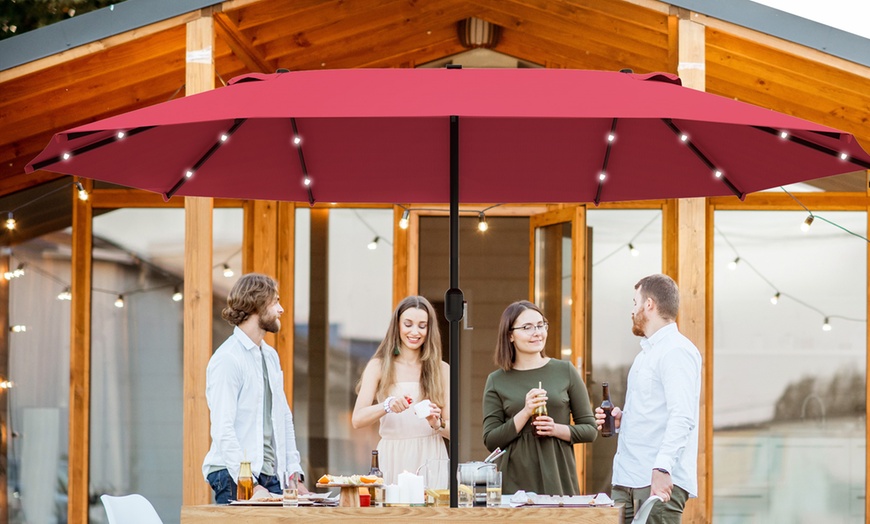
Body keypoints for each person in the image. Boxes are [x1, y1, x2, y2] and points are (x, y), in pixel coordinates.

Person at [594, 274, 701, 523]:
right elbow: (654, 413)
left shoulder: (676, 351)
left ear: (649, 304)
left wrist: (662, 468)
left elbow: (682, 416)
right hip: (627, 479)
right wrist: (623, 421)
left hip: (655, 483)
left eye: (635, 303)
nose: (632, 311)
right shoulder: (645, 354)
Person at [202, 273, 306, 504]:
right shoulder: (228, 359)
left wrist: (294, 476)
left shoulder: (270, 355)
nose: (281, 309)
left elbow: (284, 418)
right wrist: (249, 483)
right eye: (275, 301)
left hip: (269, 477)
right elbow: (223, 429)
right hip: (233, 475)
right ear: (257, 303)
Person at [482, 300, 597, 495]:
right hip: (515, 483)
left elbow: (590, 430)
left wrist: (555, 429)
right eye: (527, 327)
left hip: (559, 476)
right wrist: (526, 412)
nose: (537, 332)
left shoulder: (565, 371)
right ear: (510, 335)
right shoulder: (497, 380)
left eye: (540, 325)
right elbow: (491, 440)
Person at [352, 296, 450, 485]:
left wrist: (437, 423)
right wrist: (387, 406)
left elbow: (453, 431)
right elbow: (357, 419)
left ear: (430, 330)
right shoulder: (378, 366)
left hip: (431, 455)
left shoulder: (442, 369)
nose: (415, 332)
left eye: (422, 326)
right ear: (397, 326)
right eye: (408, 324)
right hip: (392, 455)